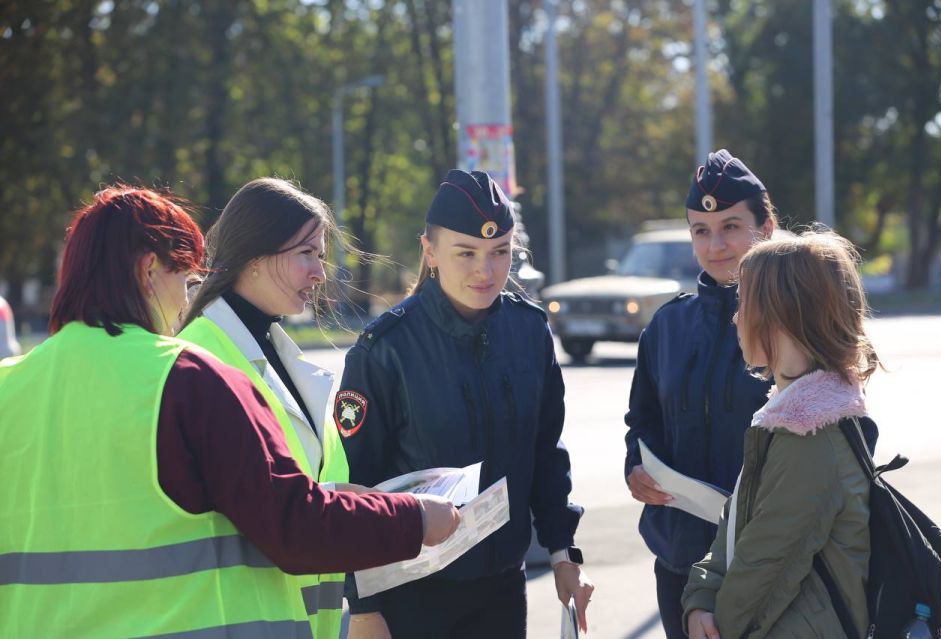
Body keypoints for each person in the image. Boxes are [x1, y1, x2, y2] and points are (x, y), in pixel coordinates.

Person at [0, 185, 460, 637]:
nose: (185, 300)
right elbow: (290, 521)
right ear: (148, 271)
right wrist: (413, 518)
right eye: (183, 277)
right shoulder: (185, 377)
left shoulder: (8, 385)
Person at [337, 169, 593, 639]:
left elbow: (545, 452)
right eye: (466, 253)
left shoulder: (529, 330)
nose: (486, 270)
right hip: (410, 594)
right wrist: (364, 605)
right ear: (430, 251)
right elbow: (358, 484)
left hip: (501, 588)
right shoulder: (386, 347)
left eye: (501, 253)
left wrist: (563, 552)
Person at [178, 177, 358, 638]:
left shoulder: (280, 354)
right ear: (255, 259)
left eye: (320, 255)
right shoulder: (199, 360)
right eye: (307, 254)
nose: (320, 273)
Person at [682, 230, 879, 638]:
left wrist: (719, 623)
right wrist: (701, 597)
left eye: (745, 304)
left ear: (781, 315)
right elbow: (735, 531)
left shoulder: (810, 437)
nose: (737, 318)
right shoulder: (792, 419)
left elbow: (766, 565)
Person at [622, 149, 780, 638]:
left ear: (766, 228)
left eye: (731, 226)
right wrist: (636, 468)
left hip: (769, 565)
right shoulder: (667, 326)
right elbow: (642, 421)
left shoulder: (794, 321)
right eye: (701, 230)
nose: (715, 246)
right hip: (679, 559)